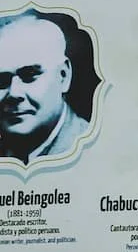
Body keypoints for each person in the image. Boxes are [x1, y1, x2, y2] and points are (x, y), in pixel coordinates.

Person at [0, 11, 90, 163]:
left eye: (30, 75)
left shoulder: (94, 150)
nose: (14, 93)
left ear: (63, 76)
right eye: (1, 80)